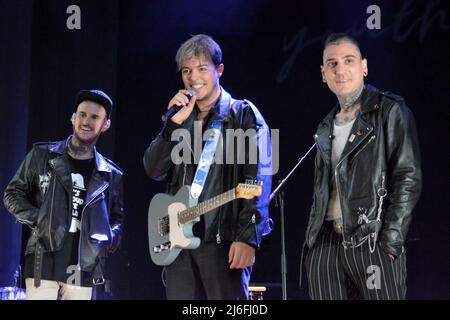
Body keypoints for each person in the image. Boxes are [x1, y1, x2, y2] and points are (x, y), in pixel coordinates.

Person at [143, 34, 272, 300]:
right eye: (187, 71)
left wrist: (248, 237)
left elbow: (257, 177)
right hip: (179, 243)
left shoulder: (242, 114)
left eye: (202, 68)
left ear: (219, 70)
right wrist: (172, 127)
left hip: (223, 242)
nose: (193, 77)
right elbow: (152, 169)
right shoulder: (181, 120)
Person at [304, 33, 422, 300]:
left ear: (364, 66)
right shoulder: (325, 125)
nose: (340, 69)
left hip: (371, 242)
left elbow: (408, 177)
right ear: (323, 73)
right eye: (332, 64)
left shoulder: (390, 110)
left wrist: (390, 242)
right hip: (325, 247)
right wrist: (313, 249)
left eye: (349, 60)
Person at [3, 89, 124, 300]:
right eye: (82, 114)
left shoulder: (110, 173)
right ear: (73, 118)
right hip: (43, 261)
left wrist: (107, 239)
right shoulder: (42, 155)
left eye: (94, 117)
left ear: (105, 125)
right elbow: (12, 194)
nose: (86, 121)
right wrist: (39, 220)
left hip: (82, 267)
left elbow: (117, 219)